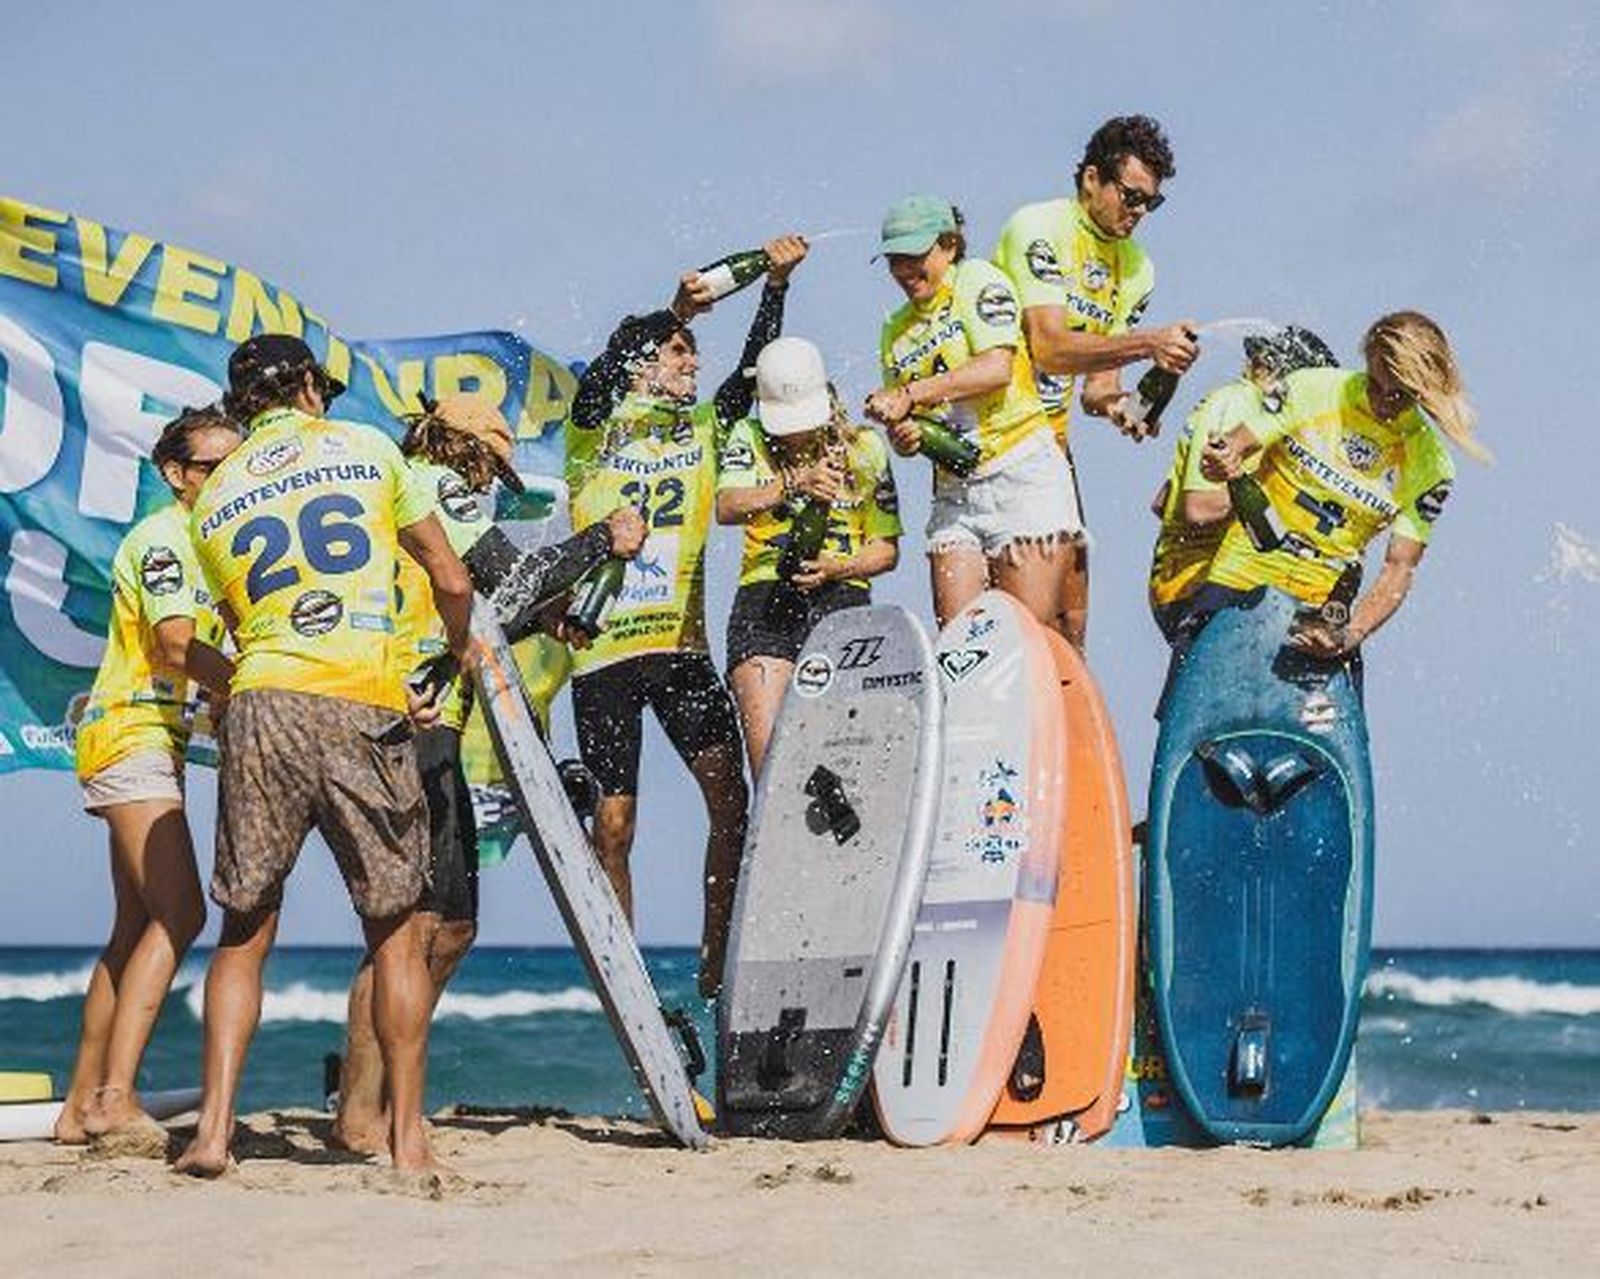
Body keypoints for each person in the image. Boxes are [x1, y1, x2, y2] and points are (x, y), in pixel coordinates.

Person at [175, 334, 475, 1176]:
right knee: (392, 929)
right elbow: (450, 579)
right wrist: (451, 657)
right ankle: (409, 1139)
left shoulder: (215, 494)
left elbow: (238, 627)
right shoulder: (368, 447)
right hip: (359, 695)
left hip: (263, 698)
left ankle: (212, 1132)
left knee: (244, 926)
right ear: (308, 386)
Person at [333, 393, 646, 1155]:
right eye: (496, 465)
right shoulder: (436, 482)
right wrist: (603, 536)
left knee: (445, 925)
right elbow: (506, 578)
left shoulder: (424, 487)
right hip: (407, 718)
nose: (496, 483)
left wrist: (547, 619)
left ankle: (376, 1098)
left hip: (423, 716)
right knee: (414, 927)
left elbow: (488, 604)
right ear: (468, 449)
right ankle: (362, 1112)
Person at [565, 234, 808, 998]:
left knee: (733, 801)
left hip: (679, 649)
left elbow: (744, 374)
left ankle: (714, 957)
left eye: (690, 352)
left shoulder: (704, 428)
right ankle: (624, 973)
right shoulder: (593, 430)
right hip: (602, 654)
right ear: (644, 362)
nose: (692, 363)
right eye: (678, 351)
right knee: (615, 827)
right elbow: (599, 384)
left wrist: (774, 285)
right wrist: (671, 309)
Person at [58, 407, 240, 1152]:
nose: (227, 480)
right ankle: (115, 1096)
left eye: (238, 466)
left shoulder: (214, 545)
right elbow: (172, 645)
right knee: (185, 913)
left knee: (135, 926)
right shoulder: (166, 537)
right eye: (212, 468)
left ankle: (78, 1105)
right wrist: (253, 679)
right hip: (128, 731)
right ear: (176, 473)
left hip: (154, 741)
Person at [993, 114, 1201, 648]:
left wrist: (1126, 408)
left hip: (1052, 443)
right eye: (1131, 197)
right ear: (1092, 179)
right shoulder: (1039, 228)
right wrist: (1148, 342)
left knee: (1073, 615)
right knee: (1026, 619)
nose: (1138, 213)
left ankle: (1065, 728)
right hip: (997, 437)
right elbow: (1051, 347)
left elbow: (1096, 389)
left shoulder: (1137, 269)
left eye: (1151, 204)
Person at [1198, 311, 1485, 656]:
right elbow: (1234, 447)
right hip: (1239, 579)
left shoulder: (1431, 463)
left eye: (1400, 396)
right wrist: (1219, 458)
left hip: (1321, 611)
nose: (1382, 403)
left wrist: (1351, 635)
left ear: (1423, 392)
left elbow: (1399, 568)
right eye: (1375, 385)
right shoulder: (1313, 387)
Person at [865, 195, 1074, 632]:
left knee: (1024, 637)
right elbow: (909, 420)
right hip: (954, 494)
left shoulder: (978, 279)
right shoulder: (893, 328)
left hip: (1021, 475)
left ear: (949, 245)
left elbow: (996, 367)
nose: (904, 271)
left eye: (914, 257)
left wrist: (908, 393)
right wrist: (906, 436)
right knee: (960, 646)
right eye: (894, 260)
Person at [716, 338, 901, 775]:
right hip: (764, 597)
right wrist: (793, 484)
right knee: (772, 765)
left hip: (843, 597)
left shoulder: (866, 447)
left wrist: (841, 567)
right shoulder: (749, 434)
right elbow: (726, 506)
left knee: (844, 756)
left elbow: (886, 549)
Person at [1148, 325, 1338, 643]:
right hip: (1196, 586)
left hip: (1182, 583)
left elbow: (1162, 502)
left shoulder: (1242, 410)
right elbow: (1199, 508)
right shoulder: (1241, 402)